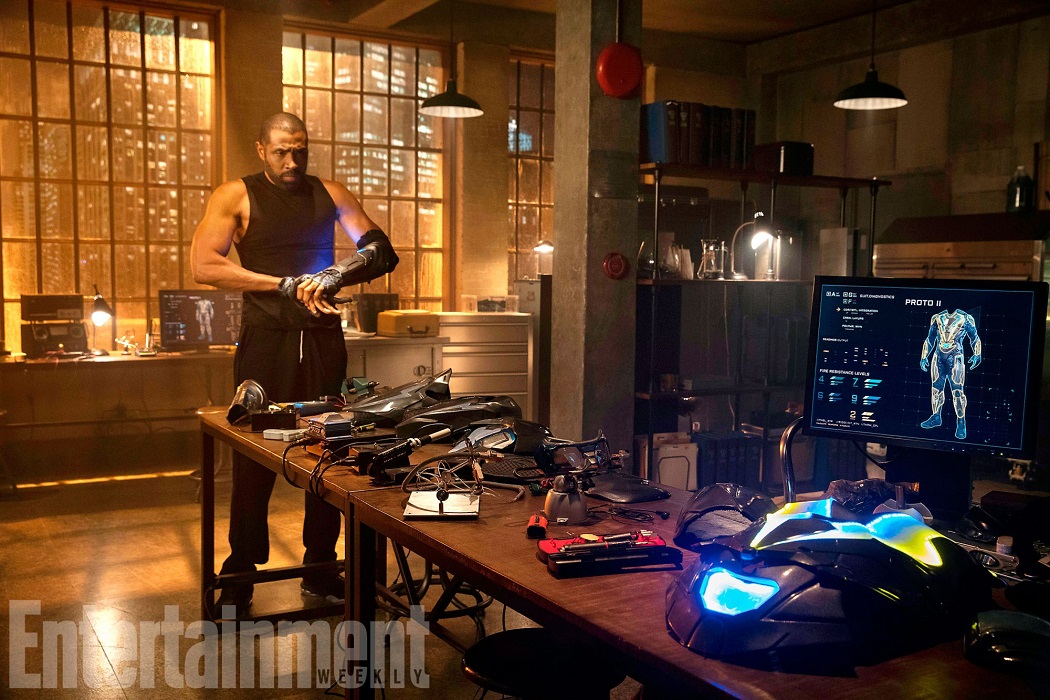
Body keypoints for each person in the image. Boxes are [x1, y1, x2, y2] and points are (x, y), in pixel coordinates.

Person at [190, 112, 398, 617]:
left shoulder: (330, 193)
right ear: (261, 148)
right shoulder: (236, 195)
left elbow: (381, 250)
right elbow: (204, 264)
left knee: (328, 449)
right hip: (266, 342)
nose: (291, 160)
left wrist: (334, 273)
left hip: (324, 339)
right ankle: (239, 574)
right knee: (253, 458)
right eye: (282, 151)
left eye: (300, 151)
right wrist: (282, 284)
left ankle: (320, 567)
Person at [918, 308, 982, 440]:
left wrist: (977, 353)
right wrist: (924, 356)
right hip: (938, 356)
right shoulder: (937, 317)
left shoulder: (966, 318)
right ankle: (936, 417)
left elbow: (975, 338)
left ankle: (961, 422)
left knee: (957, 391)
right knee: (936, 389)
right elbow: (930, 339)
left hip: (955, 356)